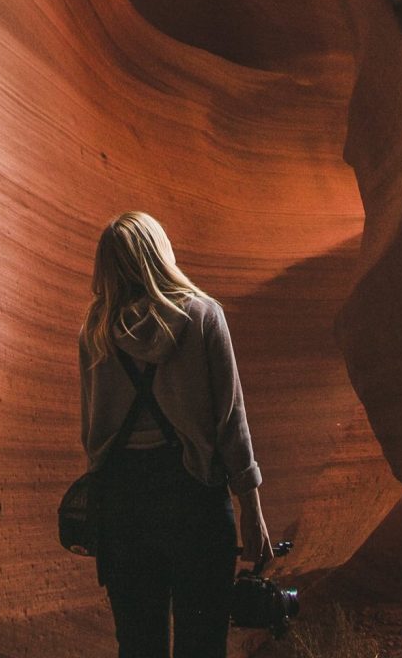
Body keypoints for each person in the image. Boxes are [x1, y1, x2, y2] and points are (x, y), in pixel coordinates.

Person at [79, 211, 273, 658]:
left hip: (123, 507)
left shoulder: (95, 333)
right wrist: (252, 509)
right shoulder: (203, 317)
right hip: (195, 500)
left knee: (138, 647)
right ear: (159, 253)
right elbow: (232, 424)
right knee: (201, 645)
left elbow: (93, 435)